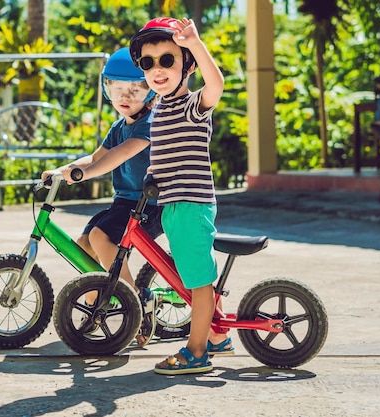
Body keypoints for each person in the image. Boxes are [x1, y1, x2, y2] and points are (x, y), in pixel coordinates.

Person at [129, 17, 233, 375]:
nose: (157, 70)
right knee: (189, 274)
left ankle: (197, 351)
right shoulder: (159, 109)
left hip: (191, 204)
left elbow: (216, 84)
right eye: (148, 62)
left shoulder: (191, 105)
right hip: (172, 205)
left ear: (186, 65)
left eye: (167, 60)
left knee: (197, 281)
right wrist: (151, 177)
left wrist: (196, 45)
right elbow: (163, 154)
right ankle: (219, 336)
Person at [41, 47, 162, 347]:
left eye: (135, 90)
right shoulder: (119, 126)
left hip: (149, 205)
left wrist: (87, 174)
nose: (125, 96)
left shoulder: (149, 124)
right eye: (117, 89)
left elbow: (119, 156)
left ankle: (137, 307)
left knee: (101, 237)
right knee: (84, 247)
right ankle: (98, 306)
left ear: (149, 91)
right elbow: (96, 157)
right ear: (107, 88)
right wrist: (63, 170)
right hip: (125, 204)